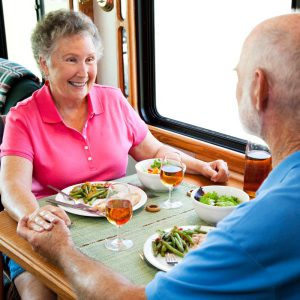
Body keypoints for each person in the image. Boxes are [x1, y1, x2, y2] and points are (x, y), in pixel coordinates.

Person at [16, 12, 300, 299]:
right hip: (53, 224)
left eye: (90, 59)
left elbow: (154, 151)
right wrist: (38, 218)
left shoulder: (113, 99)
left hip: (119, 219)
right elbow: (12, 187)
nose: (83, 71)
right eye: (71, 59)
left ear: (258, 88)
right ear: (44, 63)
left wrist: (201, 166)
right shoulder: (22, 116)